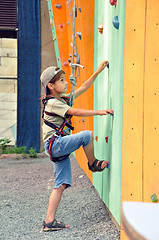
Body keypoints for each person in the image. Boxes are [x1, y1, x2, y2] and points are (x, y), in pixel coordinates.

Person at [40, 60, 114, 231]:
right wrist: (99, 112)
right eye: (61, 81)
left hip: (57, 146)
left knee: (61, 184)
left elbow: (84, 87)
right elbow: (75, 112)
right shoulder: (52, 103)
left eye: (65, 80)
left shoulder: (63, 99)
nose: (66, 83)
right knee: (86, 135)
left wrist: (98, 70)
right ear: (51, 85)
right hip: (55, 144)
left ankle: (49, 221)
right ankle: (93, 164)